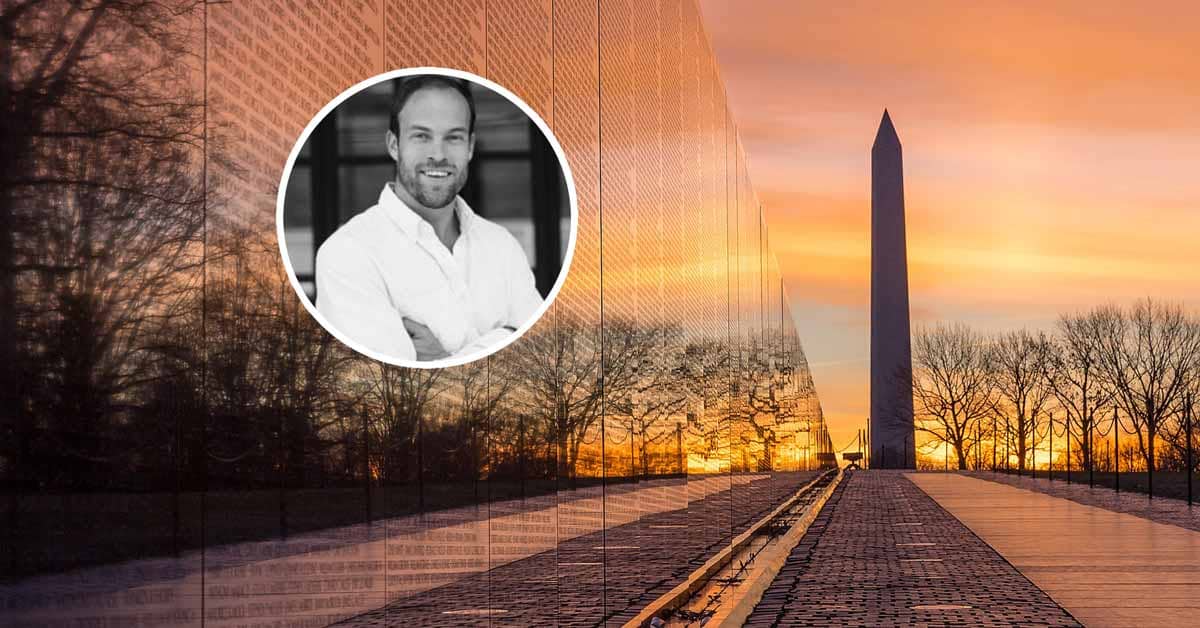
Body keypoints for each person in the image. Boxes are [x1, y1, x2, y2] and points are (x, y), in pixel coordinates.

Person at [315, 75, 543, 362]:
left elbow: (543, 354)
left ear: (470, 147)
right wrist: (508, 334)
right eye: (421, 136)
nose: (438, 154)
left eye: (454, 137)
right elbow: (390, 383)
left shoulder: (502, 245)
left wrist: (440, 358)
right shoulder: (346, 254)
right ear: (394, 145)